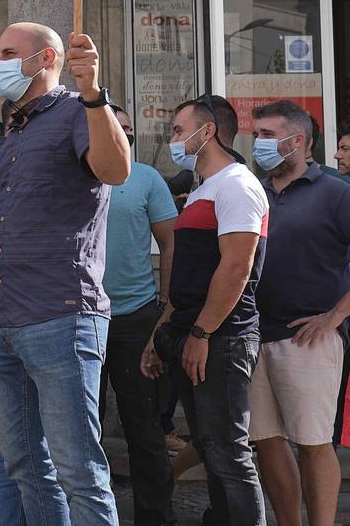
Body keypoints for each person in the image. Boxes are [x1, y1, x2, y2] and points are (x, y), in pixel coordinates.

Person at [0, 22, 130, 525]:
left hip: (62, 316)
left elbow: (116, 170)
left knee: (79, 471)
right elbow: (0, 238)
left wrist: (94, 93)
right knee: (26, 467)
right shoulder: (11, 136)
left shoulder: (80, 111)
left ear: (47, 58)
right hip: (7, 321)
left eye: (9, 52)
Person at [140, 96, 268, 525]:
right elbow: (191, 276)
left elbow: (237, 267)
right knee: (212, 449)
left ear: (207, 131)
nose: (174, 139)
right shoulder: (204, 188)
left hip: (222, 337)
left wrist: (202, 335)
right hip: (191, 333)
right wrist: (162, 333)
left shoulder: (237, 184)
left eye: (179, 130)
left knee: (229, 452)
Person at [248, 100, 349, 526]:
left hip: (309, 339)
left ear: (300, 141)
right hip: (254, 336)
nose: (259, 144)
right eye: (257, 136)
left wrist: (334, 317)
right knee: (266, 442)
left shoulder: (336, 191)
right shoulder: (255, 190)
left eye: (269, 136)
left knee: (312, 443)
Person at [96, 104, 180, 525]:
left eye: (128, 129)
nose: (123, 135)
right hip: (82, 318)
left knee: (144, 428)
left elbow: (170, 244)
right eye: (116, 127)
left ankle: (155, 517)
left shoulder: (148, 179)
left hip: (135, 319)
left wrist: (165, 306)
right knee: (83, 424)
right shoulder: (78, 174)